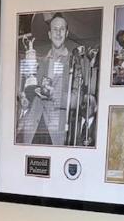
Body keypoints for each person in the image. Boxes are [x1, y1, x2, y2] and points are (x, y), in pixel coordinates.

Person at [17, 13, 96, 146]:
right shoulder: (38, 62)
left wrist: (54, 95)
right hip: (33, 130)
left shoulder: (75, 62)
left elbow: (77, 100)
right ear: (49, 34)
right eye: (55, 29)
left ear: (66, 33)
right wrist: (24, 97)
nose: (58, 33)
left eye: (62, 29)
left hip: (55, 132)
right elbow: (27, 94)